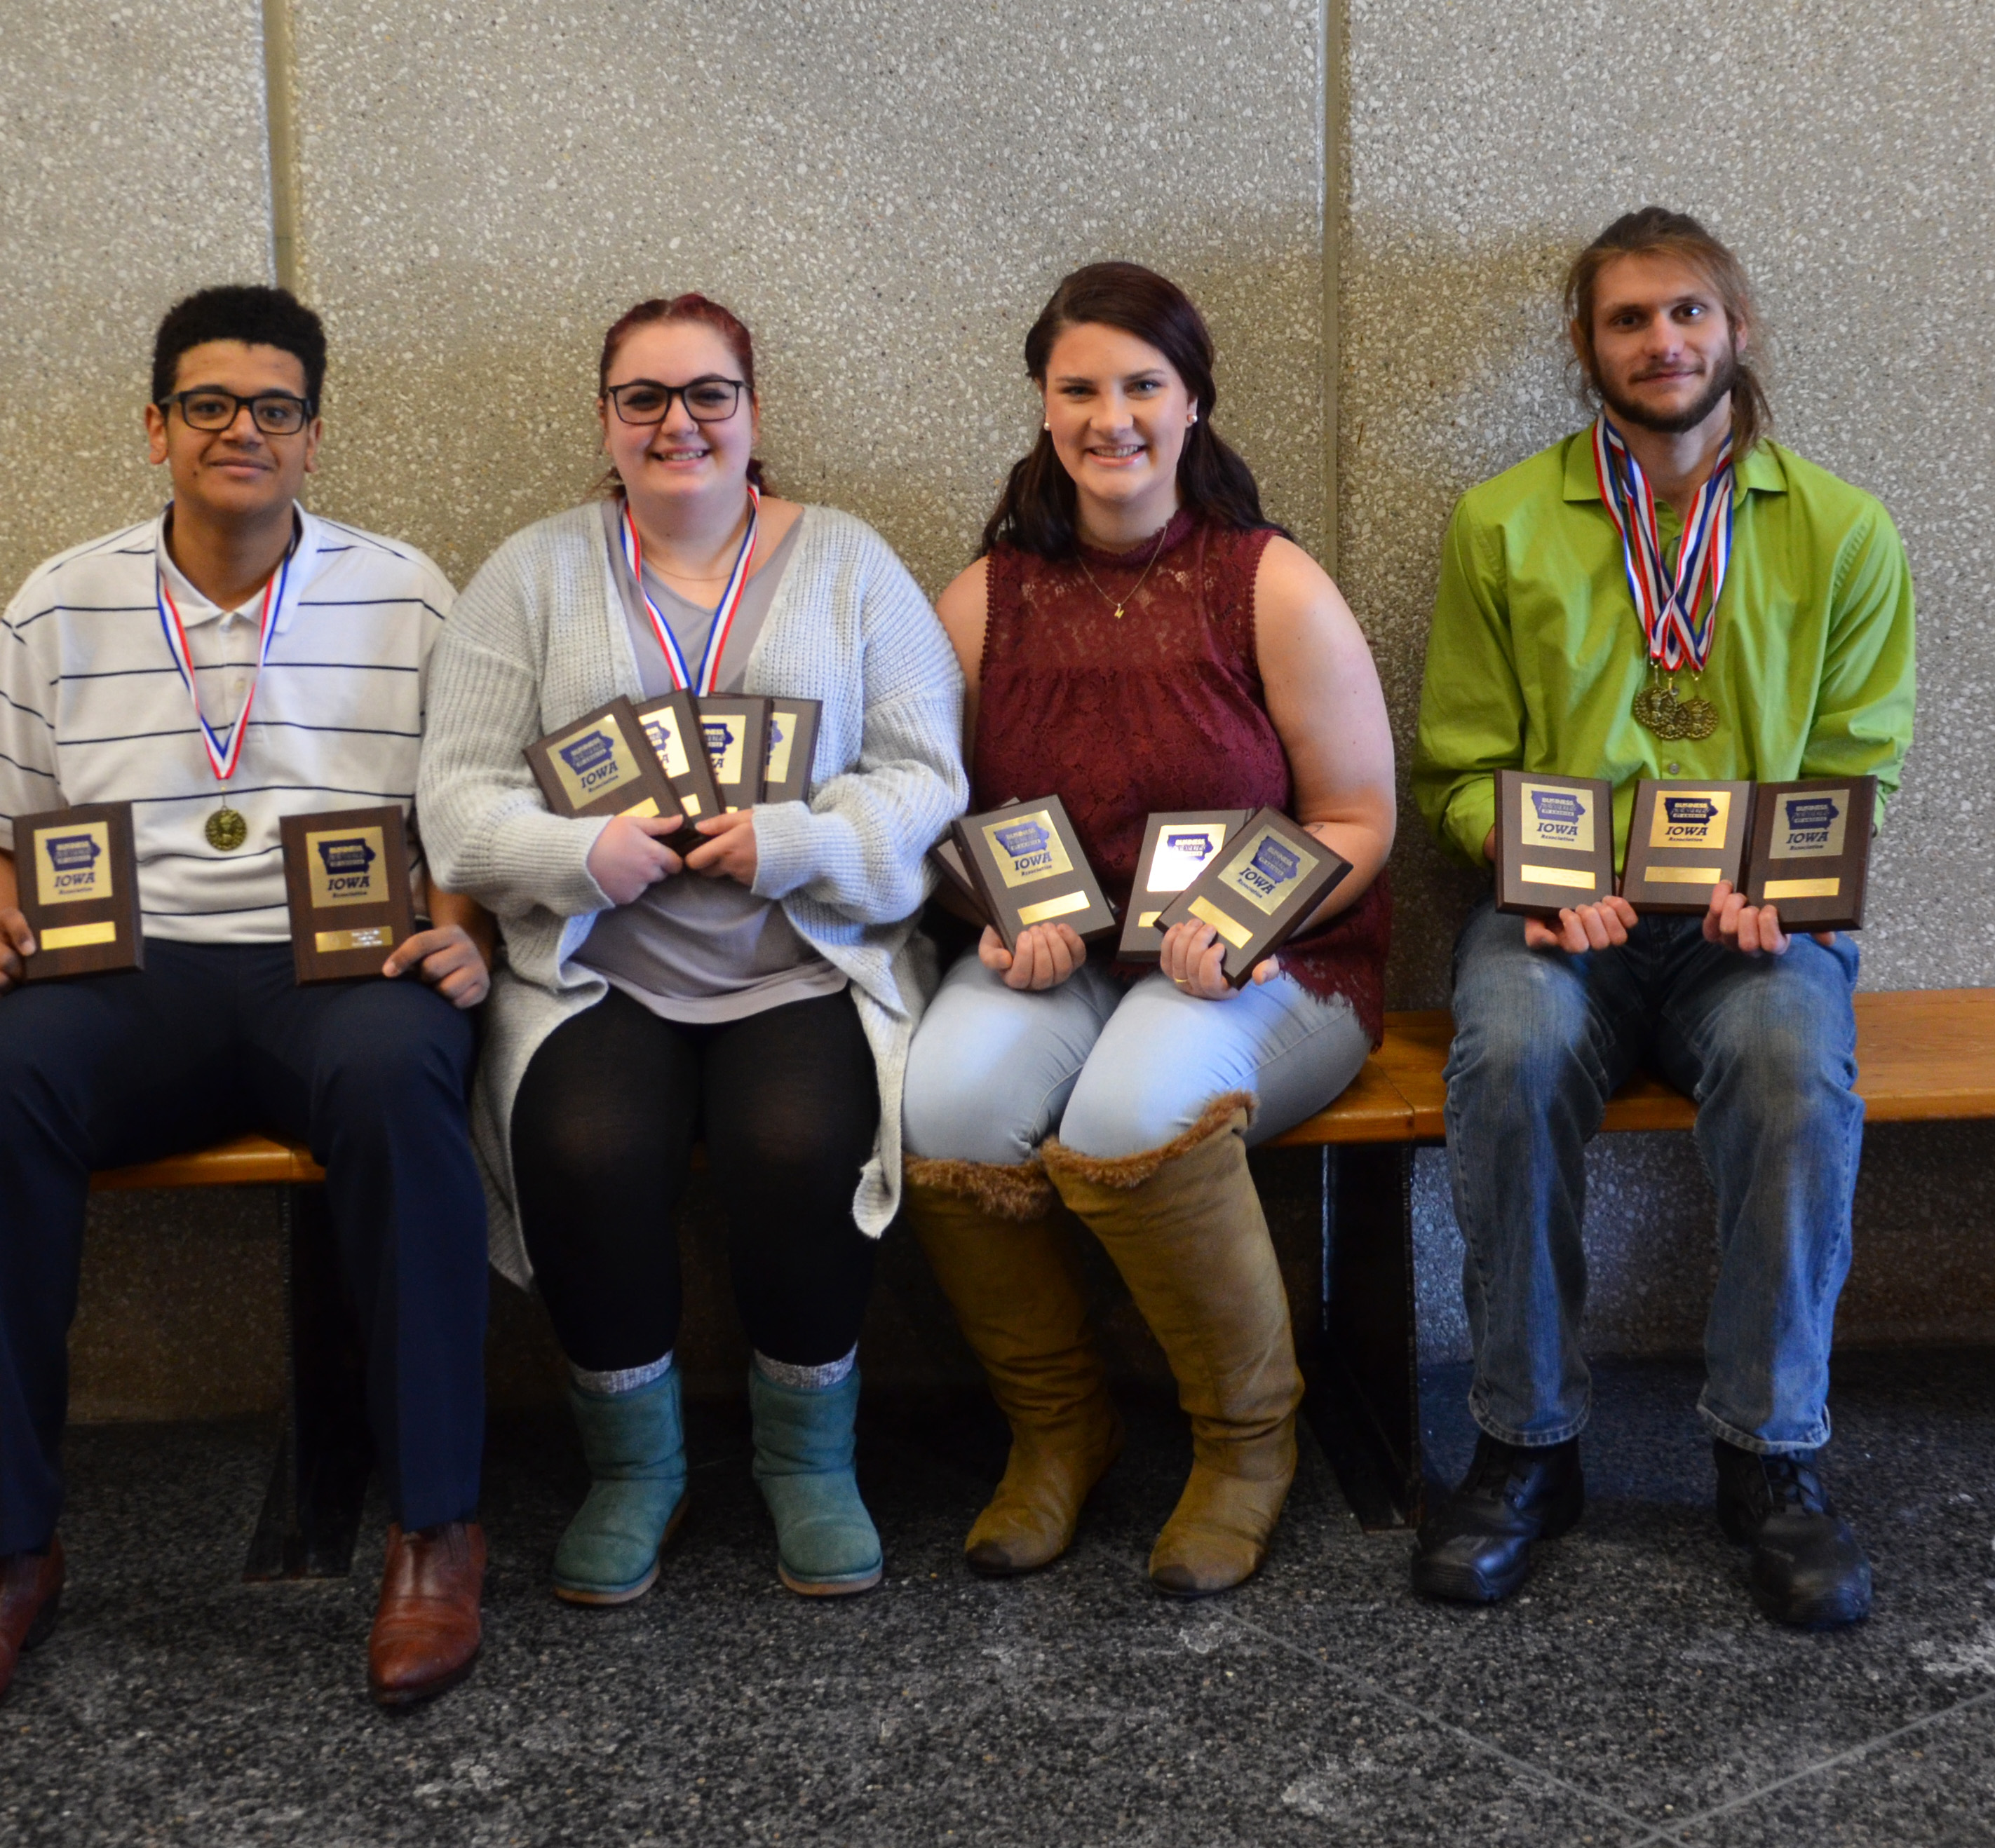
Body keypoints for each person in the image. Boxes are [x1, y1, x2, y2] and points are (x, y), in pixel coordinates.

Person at [0, 286, 496, 1737]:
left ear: (313, 436)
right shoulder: (62, 598)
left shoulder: (409, 592)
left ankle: (435, 1527)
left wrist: (462, 930)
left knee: (403, 1080)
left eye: (275, 408)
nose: (244, 430)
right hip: (132, 973)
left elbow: (468, 803)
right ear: (157, 425)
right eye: (210, 405)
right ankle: (6, 1549)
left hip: (338, 970)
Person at [1408, 208, 1916, 1628]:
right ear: (1586, 349)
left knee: (1794, 1073)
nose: (1661, 341)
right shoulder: (1502, 523)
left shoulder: (1842, 529)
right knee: (1508, 1058)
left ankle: (1770, 1458)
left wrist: (1791, 889)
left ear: (1737, 328)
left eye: (1687, 311)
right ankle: (1525, 1445)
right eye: (1627, 319)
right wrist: (1534, 873)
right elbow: (1458, 765)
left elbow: (1859, 761)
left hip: (1750, 929)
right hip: (1559, 922)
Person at [417, 294, 965, 1605]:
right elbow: (457, 795)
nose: (679, 424)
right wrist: (575, 853)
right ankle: (634, 1472)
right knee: (585, 1149)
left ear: (753, 412)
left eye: (708, 394)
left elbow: (925, 773)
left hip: (805, 955)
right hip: (598, 967)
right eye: (644, 398)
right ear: (606, 419)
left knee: (798, 1146)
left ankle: (808, 1462)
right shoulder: (532, 575)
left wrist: (799, 840)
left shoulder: (847, 562)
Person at [899, 262, 1395, 1598]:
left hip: (1270, 962)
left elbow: (1358, 818)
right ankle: (1061, 1431)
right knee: (943, 1101)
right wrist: (989, 916)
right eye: (1079, 389)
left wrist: (1242, 924)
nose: (1109, 417)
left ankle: (1246, 1446)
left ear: (1192, 404)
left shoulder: (1270, 583)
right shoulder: (981, 601)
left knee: (1127, 1115)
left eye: (1142, 386)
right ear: (1042, 405)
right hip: (1063, 961)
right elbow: (926, 818)